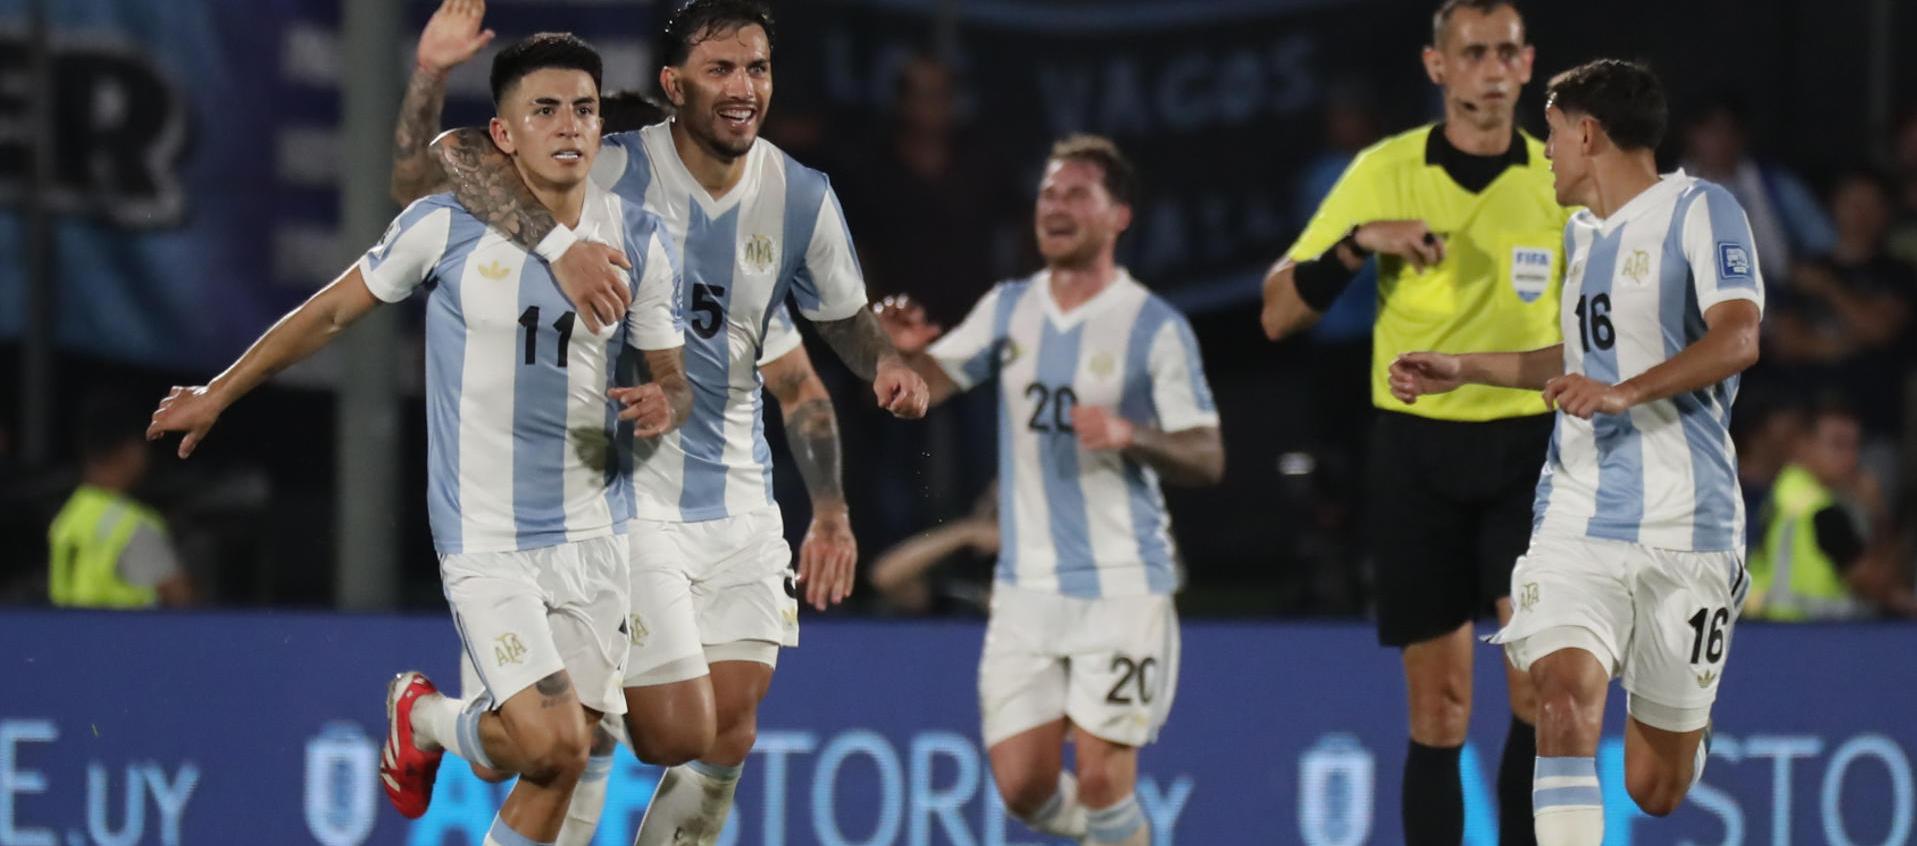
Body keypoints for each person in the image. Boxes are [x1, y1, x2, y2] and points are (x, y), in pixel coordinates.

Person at [395, 2, 931, 843]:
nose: (744, 87)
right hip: (619, 495)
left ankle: (442, 725)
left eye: (756, 69)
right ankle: (433, 723)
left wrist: (868, 408)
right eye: (721, 70)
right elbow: (450, 162)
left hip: (740, 500)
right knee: (609, 736)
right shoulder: (610, 175)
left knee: (726, 729)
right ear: (677, 86)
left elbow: (822, 348)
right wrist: (550, 238)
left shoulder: (798, 199)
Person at [150, 33, 691, 846]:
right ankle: (435, 719)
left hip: (592, 534)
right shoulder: (445, 225)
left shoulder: (640, 238)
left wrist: (666, 398)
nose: (569, 126)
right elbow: (330, 310)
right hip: (485, 540)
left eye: (582, 109)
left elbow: (673, 375)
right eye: (544, 111)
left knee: (548, 760)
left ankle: (427, 718)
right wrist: (218, 393)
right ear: (503, 135)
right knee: (555, 745)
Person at [1390, 59, 1765, 844]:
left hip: (1686, 529)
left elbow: (1736, 337)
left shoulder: (1701, 208)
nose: (1546, 149)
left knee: (1653, 788)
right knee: (1555, 699)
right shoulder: (1581, 235)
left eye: (1553, 132)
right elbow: (1579, 361)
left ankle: (1686, 732)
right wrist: (1466, 369)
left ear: (1588, 132)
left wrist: (1627, 392)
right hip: (1576, 519)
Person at [1258, 2, 1568, 841]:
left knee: (1538, 693)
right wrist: (1360, 242)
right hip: (1417, 456)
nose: (1491, 69)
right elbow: (1278, 312)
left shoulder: (1560, 181)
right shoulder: (1382, 170)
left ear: (1529, 63)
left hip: (1532, 458)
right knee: (1440, 706)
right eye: (1472, 53)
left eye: (1506, 52)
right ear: (1437, 67)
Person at [878, 134, 1224, 846]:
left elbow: (1207, 456)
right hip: (1026, 590)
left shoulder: (1153, 327)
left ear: (1118, 214)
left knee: (1101, 779)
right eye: (1046, 194)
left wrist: (1135, 436)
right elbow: (922, 391)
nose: (1054, 207)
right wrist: (901, 357)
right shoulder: (1008, 308)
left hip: (1122, 584)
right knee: (1022, 788)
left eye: (1075, 194)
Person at [1746, 401, 1917, 619]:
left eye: (1855, 445)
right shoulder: (1822, 512)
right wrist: (1878, 513)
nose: (1850, 458)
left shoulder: (1781, 490)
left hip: (1766, 629)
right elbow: (1878, 586)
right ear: (1803, 444)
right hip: (1812, 636)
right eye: (1838, 445)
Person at [49, 394, 192, 609]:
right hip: (125, 640)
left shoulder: (66, 518)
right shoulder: (133, 525)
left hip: (66, 639)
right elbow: (184, 603)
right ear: (132, 450)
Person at [1680, 94, 1835, 285]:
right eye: (1713, 131)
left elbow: (1824, 240)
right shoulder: (1666, 190)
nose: (1722, 141)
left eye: (1731, 131)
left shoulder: (1776, 186)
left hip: (1771, 299)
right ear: (1691, 134)